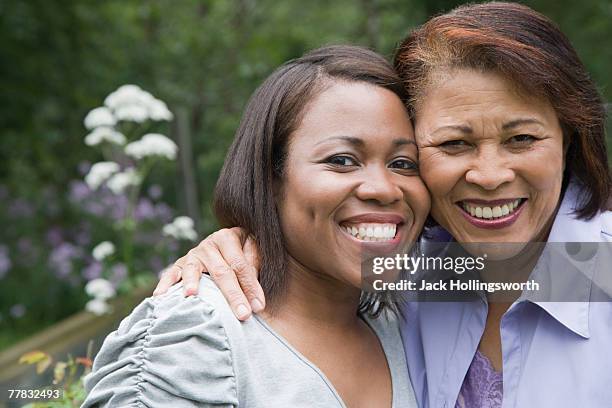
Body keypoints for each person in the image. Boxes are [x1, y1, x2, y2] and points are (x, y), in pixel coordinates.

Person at [153, 2, 612, 408]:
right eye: (454, 143)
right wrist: (243, 239)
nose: (489, 175)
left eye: (523, 139)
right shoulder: (418, 272)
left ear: (568, 139)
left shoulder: (598, 272)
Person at [82, 45, 427, 407]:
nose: (384, 189)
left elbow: (492, 270)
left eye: (404, 163)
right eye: (342, 160)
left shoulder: (411, 318)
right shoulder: (197, 337)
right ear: (270, 178)